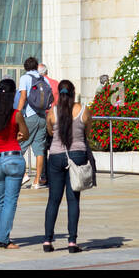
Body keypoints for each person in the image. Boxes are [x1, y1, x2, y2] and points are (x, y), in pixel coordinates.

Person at [42, 79, 91, 253]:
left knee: (53, 200)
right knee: (73, 200)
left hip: (55, 156)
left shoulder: (52, 112)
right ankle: (72, 242)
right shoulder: (83, 110)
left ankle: (47, 241)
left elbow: (49, 131)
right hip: (77, 155)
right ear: (73, 92)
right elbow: (88, 131)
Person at [0, 78, 30, 249]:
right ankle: (3, 239)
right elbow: (25, 134)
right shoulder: (15, 114)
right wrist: (18, 135)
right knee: (10, 201)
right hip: (13, 159)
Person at [16, 57, 52, 188]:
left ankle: (23, 174)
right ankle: (37, 180)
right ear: (36, 66)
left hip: (29, 116)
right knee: (39, 150)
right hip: (42, 116)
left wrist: (17, 112)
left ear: (25, 67)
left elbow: (23, 97)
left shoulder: (25, 78)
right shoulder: (43, 78)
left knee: (19, 146)